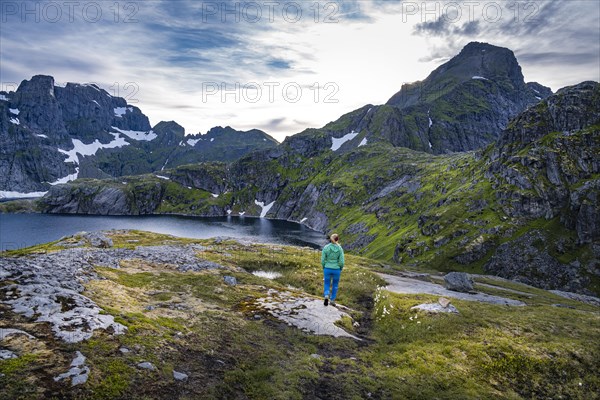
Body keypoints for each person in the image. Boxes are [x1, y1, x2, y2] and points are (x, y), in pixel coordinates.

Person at [321, 233, 344, 306]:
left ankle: (326, 295)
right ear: (337, 239)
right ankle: (332, 300)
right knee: (335, 284)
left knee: (327, 283)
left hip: (327, 268)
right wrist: (340, 268)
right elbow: (341, 261)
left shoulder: (326, 247)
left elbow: (323, 260)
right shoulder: (340, 249)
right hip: (336, 269)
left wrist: (324, 266)